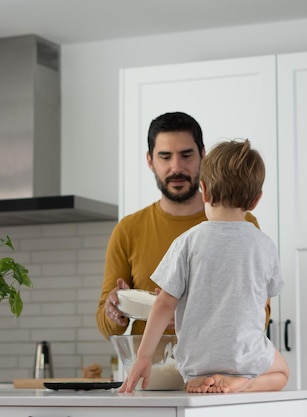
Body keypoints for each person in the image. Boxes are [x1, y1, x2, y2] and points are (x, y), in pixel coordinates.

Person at [118, 139, 289, 394]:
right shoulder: (264, 244)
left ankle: (201, 379)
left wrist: (144, 356)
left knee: (196, 371)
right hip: (246, 356)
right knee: (282, 372)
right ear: (255, 201)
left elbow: (164, 303)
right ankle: (244, 383)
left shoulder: (187, 241)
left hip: (196, 361)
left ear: (204, 191)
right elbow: (262, 296)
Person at [96, 112, 267, 338]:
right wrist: (114, 309)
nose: (176, 167)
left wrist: (193, 318)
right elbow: (105, 325)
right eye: (165, 157)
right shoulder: (128, 230)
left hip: (217, 371)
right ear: (150, 161)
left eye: (186, 155)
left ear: (203, 156)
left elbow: (260, 314)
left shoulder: (241, 221)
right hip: (151, 370)